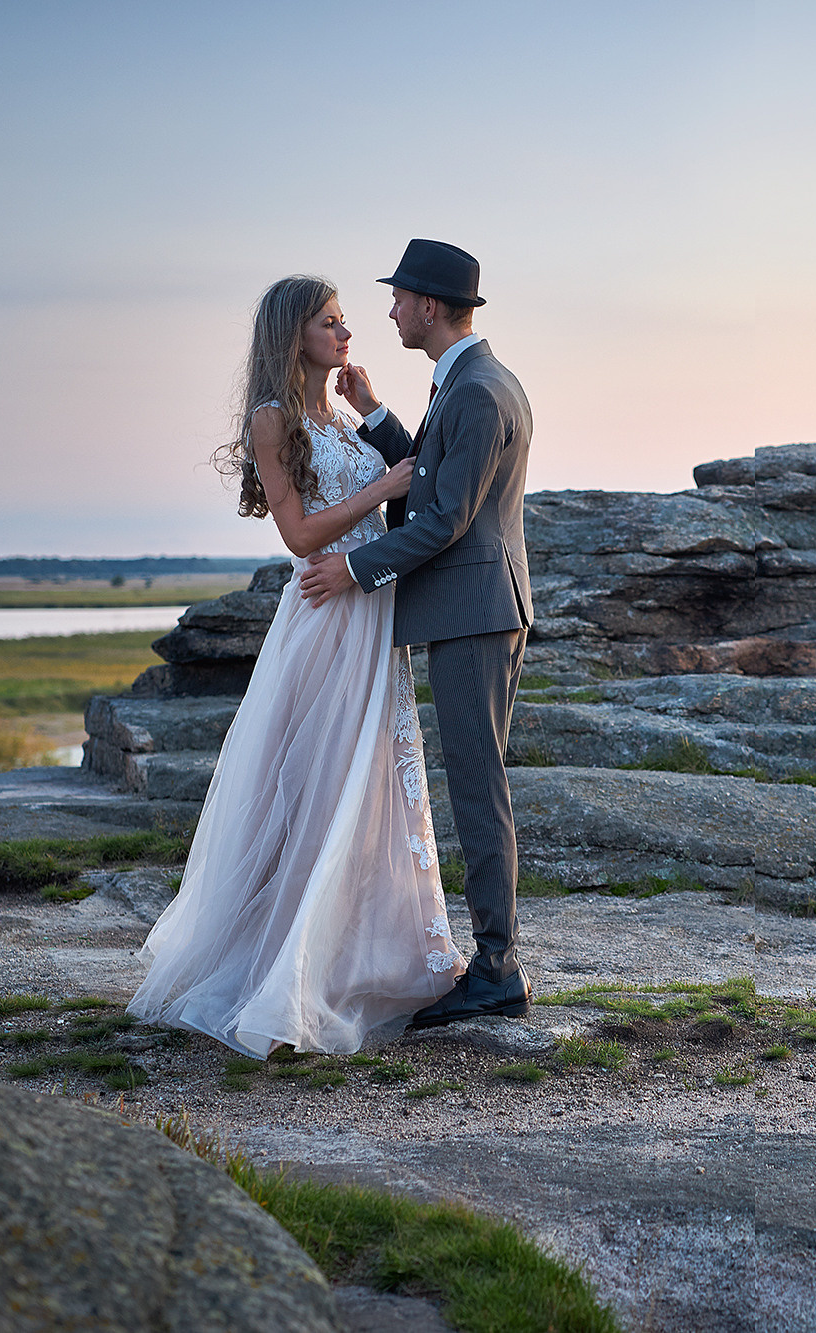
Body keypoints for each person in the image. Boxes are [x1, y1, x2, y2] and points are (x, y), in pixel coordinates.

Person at [127, 274, 465, 1057]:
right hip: (324, 618)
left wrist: (373, 409)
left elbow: (421, 474)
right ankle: (287, 966)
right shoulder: (272, 419)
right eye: (330, 322)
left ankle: (373, 956)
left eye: (345, 321)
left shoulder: (341, 416)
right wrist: (381, 488)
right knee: (318, 781)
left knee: (374, 782)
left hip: (371, 613)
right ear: (294, 335)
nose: (346, 333)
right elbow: (300, 536)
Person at [298, 238, 535, 1029]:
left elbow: (444, 519)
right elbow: (430, 478)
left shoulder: (476, 391)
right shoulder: (469, 380)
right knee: (476, 780)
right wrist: (376, 415)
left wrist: (354, 569)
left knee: (477, 786)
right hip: (475, 610)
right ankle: (494, 965)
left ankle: (496, 971)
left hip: (475, 613)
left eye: (399, 298)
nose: (391, 310)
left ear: (429, 306)